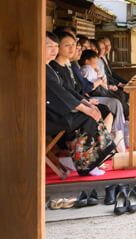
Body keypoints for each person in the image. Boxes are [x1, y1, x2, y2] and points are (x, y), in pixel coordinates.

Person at [44, 32, 116, 176]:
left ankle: (96, 157)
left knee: (96, 111)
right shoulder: (41, 69)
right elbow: (60, 93)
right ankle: (85, 162)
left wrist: (86, 103)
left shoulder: (49, 67)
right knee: (87, 117)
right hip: (49, 116)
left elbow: (67, 89)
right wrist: (85, 109)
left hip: (58, 111)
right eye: (49, 46)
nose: (54, 50)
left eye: (55, 46)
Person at [52, 30, 128, 148]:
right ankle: (93, 153)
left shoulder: (68, 65)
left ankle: (105, 148)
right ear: (59, 46)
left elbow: (72, 89)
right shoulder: (54, 67)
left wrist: (85, 101)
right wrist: (85, 104)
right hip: (62, 110)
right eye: (67, 45)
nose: (73, 49)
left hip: (77, 102)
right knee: (101, 111)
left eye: (74, 45)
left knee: (105, 108)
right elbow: (63, 93)